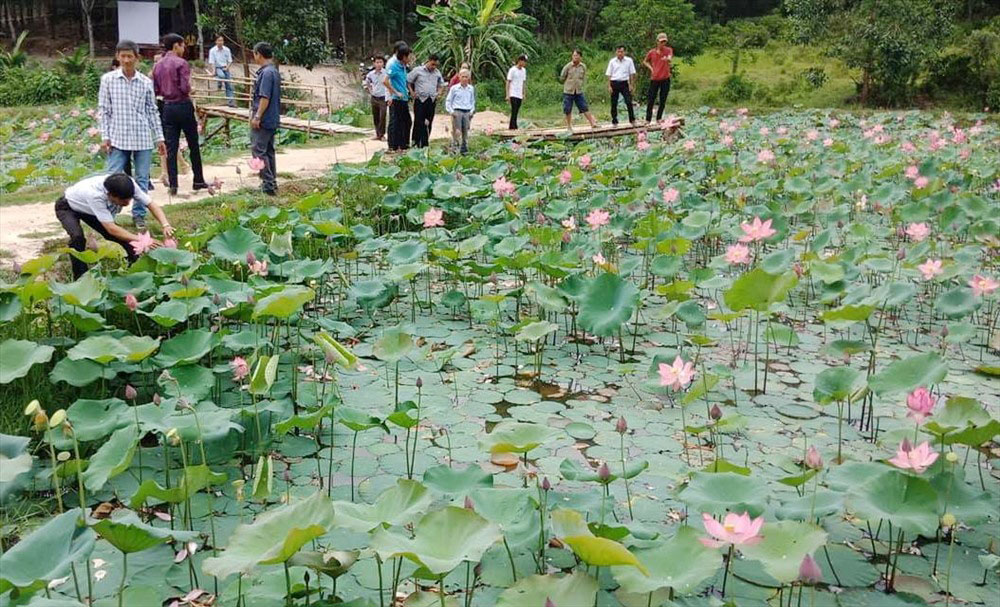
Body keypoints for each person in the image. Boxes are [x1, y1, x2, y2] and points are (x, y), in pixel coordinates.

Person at [98, 39, 165, 229]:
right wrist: (105, 136)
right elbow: (104, 110)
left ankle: (139, 215)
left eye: (130, 56)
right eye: (123, 56)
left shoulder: (145, 82)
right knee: (112, 176)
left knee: (142, 178)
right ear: (117, 57)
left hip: (142, 137)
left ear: (137, 58)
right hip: (118, 137)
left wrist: (159, 137)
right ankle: (109, 213)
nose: (126, 60)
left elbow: (152, 111)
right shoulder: (108, 80)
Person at [56, 173, 175, 279]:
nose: (127, 203)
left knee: (124, 238)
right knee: (77, 237)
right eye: (123, 200)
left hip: (89, 209)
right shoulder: (95, 195)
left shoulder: (129, 184)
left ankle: (135, 267)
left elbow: (150, 204)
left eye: (129, 199)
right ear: (110, 195)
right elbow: (111, 229)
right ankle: (80, 277)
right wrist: (142, 240)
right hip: (68, 206)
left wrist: (165, 225)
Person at [152, 33, 208, 197]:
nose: (184, 49)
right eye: (183, 46)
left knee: (171, 146)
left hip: (167, 107)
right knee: (193, 143)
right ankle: (198, 180)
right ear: (176, 45)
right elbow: (184, 87)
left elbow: (156, 89)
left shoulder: (158, 65)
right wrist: (190, 89)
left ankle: (173, 185)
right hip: (183, 105)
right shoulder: (181, 63)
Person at [250, 41, 281, 195]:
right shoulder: (273, 71)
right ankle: (271, 182)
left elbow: (264, 97)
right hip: (272, 117)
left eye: (254, 54)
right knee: (268, 150)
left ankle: (268, 183)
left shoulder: (266, 73)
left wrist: (257, 116)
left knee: (258, 150)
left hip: (264, 118)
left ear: (259, 54)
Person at [407, 54, 446, 148]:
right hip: (420, 99)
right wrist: (411, 92)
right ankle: (416, 141)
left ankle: (425, 142)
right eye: (432, 64)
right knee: (419, 121)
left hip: (431, 100)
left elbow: (441, 84)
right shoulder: (418, 70)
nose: (434, 67)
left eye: (436, 65)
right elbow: (408, 81)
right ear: (428, 61)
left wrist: (439, 93)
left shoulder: (437, 72)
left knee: (429, 121)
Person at [383, 44, 412, 153]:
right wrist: (395, 93)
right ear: (403, 56)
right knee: (396, 123)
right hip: (397, 99)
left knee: (406, 122)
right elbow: (385, 81)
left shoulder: (403, 65)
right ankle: (394, 146)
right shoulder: (393, 65)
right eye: (408, 56)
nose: (410, 58)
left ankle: (403, 145)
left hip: (404, 98)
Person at [559, 49, 597, 131]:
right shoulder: (568, 66)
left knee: (584, 107)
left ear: (580, 57)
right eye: (574, 56)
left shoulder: (583, 67)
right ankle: (569, 126)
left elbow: (583, 77)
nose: (575, 57)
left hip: (578, 91)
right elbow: (562, 77)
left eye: (577, 56)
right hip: (568, 91)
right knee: (567, 109)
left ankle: (592, 123)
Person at [643, 33, 673, 124]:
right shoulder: (652, 52)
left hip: (665, 78)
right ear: (657, 42)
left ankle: (659, 118)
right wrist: (651, 68)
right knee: (651, 99)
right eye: (661, 42)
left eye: (664, 42)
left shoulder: (668, 50)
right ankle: (648, 119)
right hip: (655, 79)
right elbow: (645, 61)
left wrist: (667, 59)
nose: (663, 44)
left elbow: (670, 57)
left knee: (662, 99)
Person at [445, 68, 475, 154]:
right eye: (463, 77)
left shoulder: (471, 88)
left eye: (466, 77)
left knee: (465, 131)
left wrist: (472, 111)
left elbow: (472, 101)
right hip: (457, 111)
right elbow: (448, 100)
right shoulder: (454, 88)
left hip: (467, 112)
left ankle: (464, 150)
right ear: (459, 77)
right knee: (457, 131)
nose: (464, 78)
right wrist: (451, 111)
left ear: (468, 78)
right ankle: (454, 149)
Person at [606, 45, 637, 126]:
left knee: (628, 101)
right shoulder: (612, 61)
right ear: (616, 52)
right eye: (618, 52)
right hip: (614, 83)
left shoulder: (629, 60)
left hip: (624, 83)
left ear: (625, 52)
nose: (620, 53)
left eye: (622, 52)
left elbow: (632, 73)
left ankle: (632, 119)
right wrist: (609, 86)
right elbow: (609, 74)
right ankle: (614, 120)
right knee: (614, 103)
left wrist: (631, 84)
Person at [363, 55, 388, 141]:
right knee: (376, 116)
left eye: (381, 62)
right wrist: (370, 91)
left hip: (383, 97)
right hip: (374, 97)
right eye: (377, 62)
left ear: (383, 63)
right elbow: (367, 83)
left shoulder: (386, 73)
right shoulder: (371, 74)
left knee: (383, 116)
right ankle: (378, 134)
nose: (379, 64)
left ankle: (382, 134)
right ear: (374, 64)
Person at [207, 35, 235, 107]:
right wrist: (214, 71)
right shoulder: (212, 50)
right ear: (216, 41)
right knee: (221, 76)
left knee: (229, 85)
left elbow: (230, 60)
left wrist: (227, 68)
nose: (220, 42)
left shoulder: (227, 50)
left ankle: (231, 102)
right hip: (218, 68)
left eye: (222, 40)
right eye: (219, 40)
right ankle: (219, 84)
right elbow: (212, 62)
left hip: (226, 68)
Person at [506, 55, 527, 130]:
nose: (524, 63)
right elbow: (508, 82)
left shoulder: (524, 71)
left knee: (517, 110)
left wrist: (524, 93)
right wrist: (507, 94)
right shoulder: (512, 70)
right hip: (513, 93)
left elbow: (524, 82)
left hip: (519, 94)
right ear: (519, 61)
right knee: (514, 109)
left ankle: (513, 125)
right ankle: (513, 126)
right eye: (524, 61)